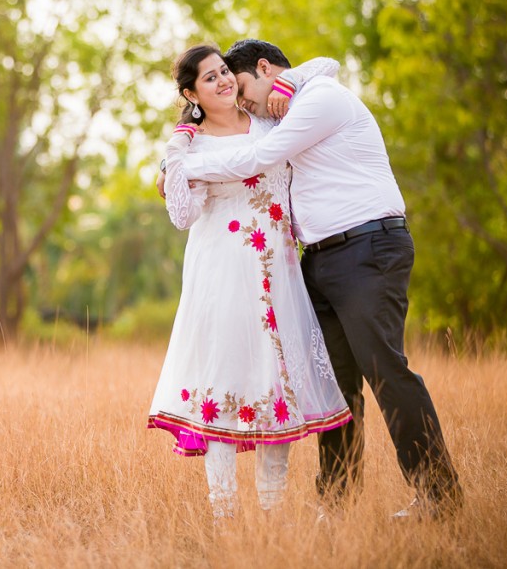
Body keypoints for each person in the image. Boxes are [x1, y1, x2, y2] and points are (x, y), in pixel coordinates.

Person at [169, 39, 463, 520]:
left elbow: (256, 157)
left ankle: (438, 495)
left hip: (367, 246)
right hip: (320, 260)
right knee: (336, 389)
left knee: (386, 372)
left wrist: (179, 164)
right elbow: (318, 63)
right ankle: (336, 505)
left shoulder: (319, 99)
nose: (244, 103)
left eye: (243, 90)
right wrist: (289, 79)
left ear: (265, 69)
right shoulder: (289, 98)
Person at [147, 44, 352, 521]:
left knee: (273, 385)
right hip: (222, 276)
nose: (222, 81)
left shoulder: (268, 122)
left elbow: (326, 66)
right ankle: (224, 515)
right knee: (225, 383)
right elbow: (183, 216)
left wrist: (284, 82)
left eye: (224, 72)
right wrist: (174, 154)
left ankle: (272, 515)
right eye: (210, 78)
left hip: (278, 275)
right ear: (190, 93)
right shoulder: (190, 144)